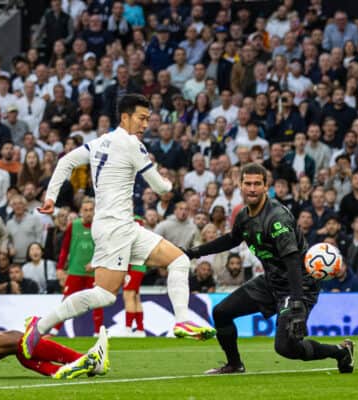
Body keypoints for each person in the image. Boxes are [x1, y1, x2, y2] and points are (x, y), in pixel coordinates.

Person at [21, 94, 215, 360]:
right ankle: (39, 326)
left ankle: (181, 320)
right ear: (125, 117)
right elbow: (159, 187)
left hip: (123, 224)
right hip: (115, 227)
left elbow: (65, 161)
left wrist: (51, 197)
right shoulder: (131, 144)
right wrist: (170, 185)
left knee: (179, 260)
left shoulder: (99, 142)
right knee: (104, 294)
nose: (146, 124)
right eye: (142, 118)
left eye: (148, 118)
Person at [184, 163, 354, 375]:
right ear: (241, 186)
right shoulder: (244, 216)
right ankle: (234, 365)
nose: (252, 188)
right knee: (222, 312)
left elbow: (292, 262)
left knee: (286, 348)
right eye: (248, 184)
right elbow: (231, 239)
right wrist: (193, 252)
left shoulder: (277, 218)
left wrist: (298, 302)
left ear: (266, 186)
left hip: (297, 286)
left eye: (257, 184)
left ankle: (341, 351)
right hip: (271, 282)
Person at [51, 198, 103, 336]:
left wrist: (95, 263)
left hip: (95, 272)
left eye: (91, 210)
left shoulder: (101, 227)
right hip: (75, 270)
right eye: (85, 210)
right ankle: (54, 330)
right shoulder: (73, 226)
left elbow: (106, 249)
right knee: (67, 300)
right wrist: (60, 268)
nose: (88, 213)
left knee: (98, 301)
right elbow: (65, 248)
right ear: (80, 212)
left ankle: (98, 333)